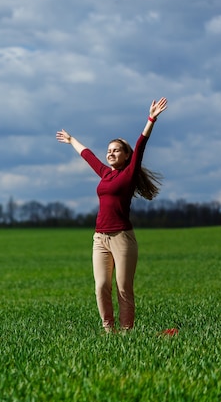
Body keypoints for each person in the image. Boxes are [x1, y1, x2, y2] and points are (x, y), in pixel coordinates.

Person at [56, 97, 168, 333]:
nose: (110, 153)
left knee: (123, 287)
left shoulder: (127, 176)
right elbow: (88, 156)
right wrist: (71, 140)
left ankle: (127, 331)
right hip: (100, 239)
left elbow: (141, 145)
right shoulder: (105, 175)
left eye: (116, 150)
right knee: (101, 286)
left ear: (126, 156)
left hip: (122, 238)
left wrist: (151, 119)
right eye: (108, 151)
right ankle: (109, 330)